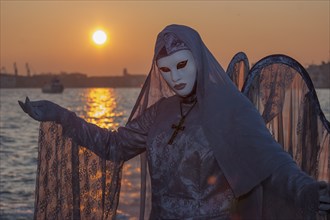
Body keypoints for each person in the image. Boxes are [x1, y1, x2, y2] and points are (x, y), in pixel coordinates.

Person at [19, 24, 330, 219]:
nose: (175, 77)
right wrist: (62, 116)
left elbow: (273, 163)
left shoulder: (232, 111)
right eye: (165, 69)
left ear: (200, 59)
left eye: (182, 65)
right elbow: (114, 147)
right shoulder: (159, 113)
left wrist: (306, 190)